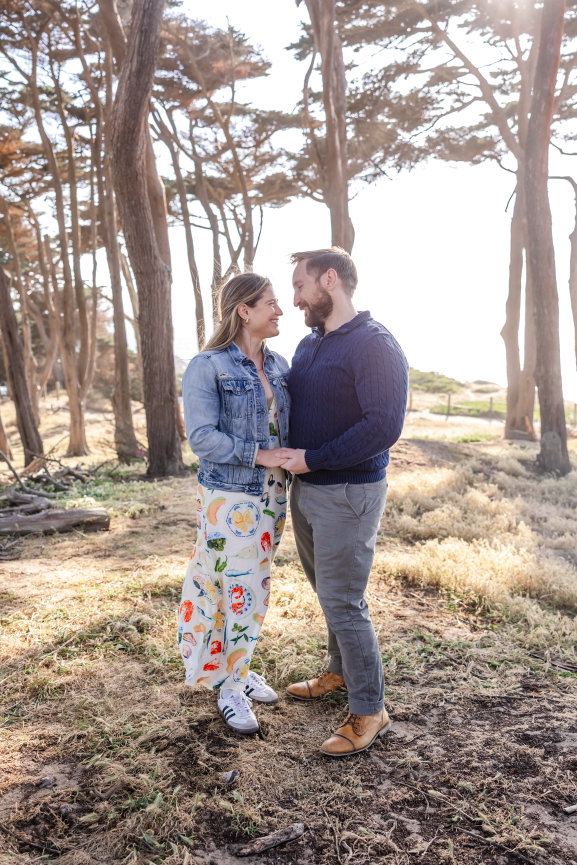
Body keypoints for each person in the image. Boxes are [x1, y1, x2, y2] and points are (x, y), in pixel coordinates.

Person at [278, 247, 408, 757]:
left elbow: (383, 427)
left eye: (300, 286)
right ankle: (338, 673)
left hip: (348, 491)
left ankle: (370, 710)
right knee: (330, 593)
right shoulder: (312, 344)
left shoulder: (375, 344)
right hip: (307, 490)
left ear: (329, 280)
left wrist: (314, 459)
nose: (294, 299)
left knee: (344, 601)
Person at [177, 273, 290, 735]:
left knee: (252, 586)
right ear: (244, 310)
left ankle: (235, 669)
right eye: (271, 303)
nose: (279, 310)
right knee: (234, 588)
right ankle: (231, 685)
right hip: (230, 496)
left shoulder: (280, 364)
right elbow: (201, 437)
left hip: (274, 494)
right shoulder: (208, 366)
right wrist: (259, 455)